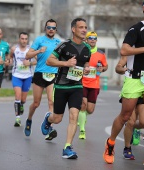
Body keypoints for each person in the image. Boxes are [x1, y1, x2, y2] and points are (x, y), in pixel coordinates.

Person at [40, 18, 91, 159]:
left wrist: (86, 68)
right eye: (81, 27)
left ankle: (67, 147)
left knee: (74, 116)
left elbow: (85, 62)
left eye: (85, 27)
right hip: (61, 86)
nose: (84, 30)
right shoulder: (64, 45)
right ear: (73, 29)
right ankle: (48, 119)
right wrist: (66, 63)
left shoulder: (87, 48)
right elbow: (49, 60)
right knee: (57, 119)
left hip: (77, 86)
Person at [103, 1, 144, 164]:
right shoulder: (136, 29)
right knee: (126, 116)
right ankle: (111, 143)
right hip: (134, 79)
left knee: (143, 121)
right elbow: (124, 50)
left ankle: (133, 132)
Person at [24, 19, 61, 136]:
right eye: (49, 27)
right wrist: (39, 50)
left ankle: (48, 127)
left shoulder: (59, 42)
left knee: (51, 102)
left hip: (53, 74)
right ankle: (29, 119)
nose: (51, 30)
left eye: (53, 28)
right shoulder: (39, 40)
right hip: (40, 73)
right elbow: (27, 55)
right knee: (36, 103)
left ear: (56, 30)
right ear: (45, 28)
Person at [78, 31, 108, 139]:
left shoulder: (101, 53)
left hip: (94, 84)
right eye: (90, 38)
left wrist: (102, 69)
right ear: (86, 39)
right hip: (82, 83)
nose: (92, 40)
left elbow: (106, 66)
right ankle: (82, 130)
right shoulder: (82, 51)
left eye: (94, 38)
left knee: (90, 110)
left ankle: (83, 117)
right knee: (83, 105)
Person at [115, 55, 144, 160]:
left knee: (143, 122)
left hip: (143, 88)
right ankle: (127, 148)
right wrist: (122, 69)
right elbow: (118, 67)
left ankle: (135, 129)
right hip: (131, 88)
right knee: (131, 121)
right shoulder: (129, 51)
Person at [10, 32, 36, 127]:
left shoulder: (30, 50)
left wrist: (29, 63)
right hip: (16, 75)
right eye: (22, 38)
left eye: (25, 39)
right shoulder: (14, 49)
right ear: (19, 39)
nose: (24, 40)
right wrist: (9, 61)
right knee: (17, 96)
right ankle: (17, 119)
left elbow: (37, 61)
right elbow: (10, 58)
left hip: (27, 76)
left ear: (27, 40)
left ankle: (21, 105)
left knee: (23, 99)